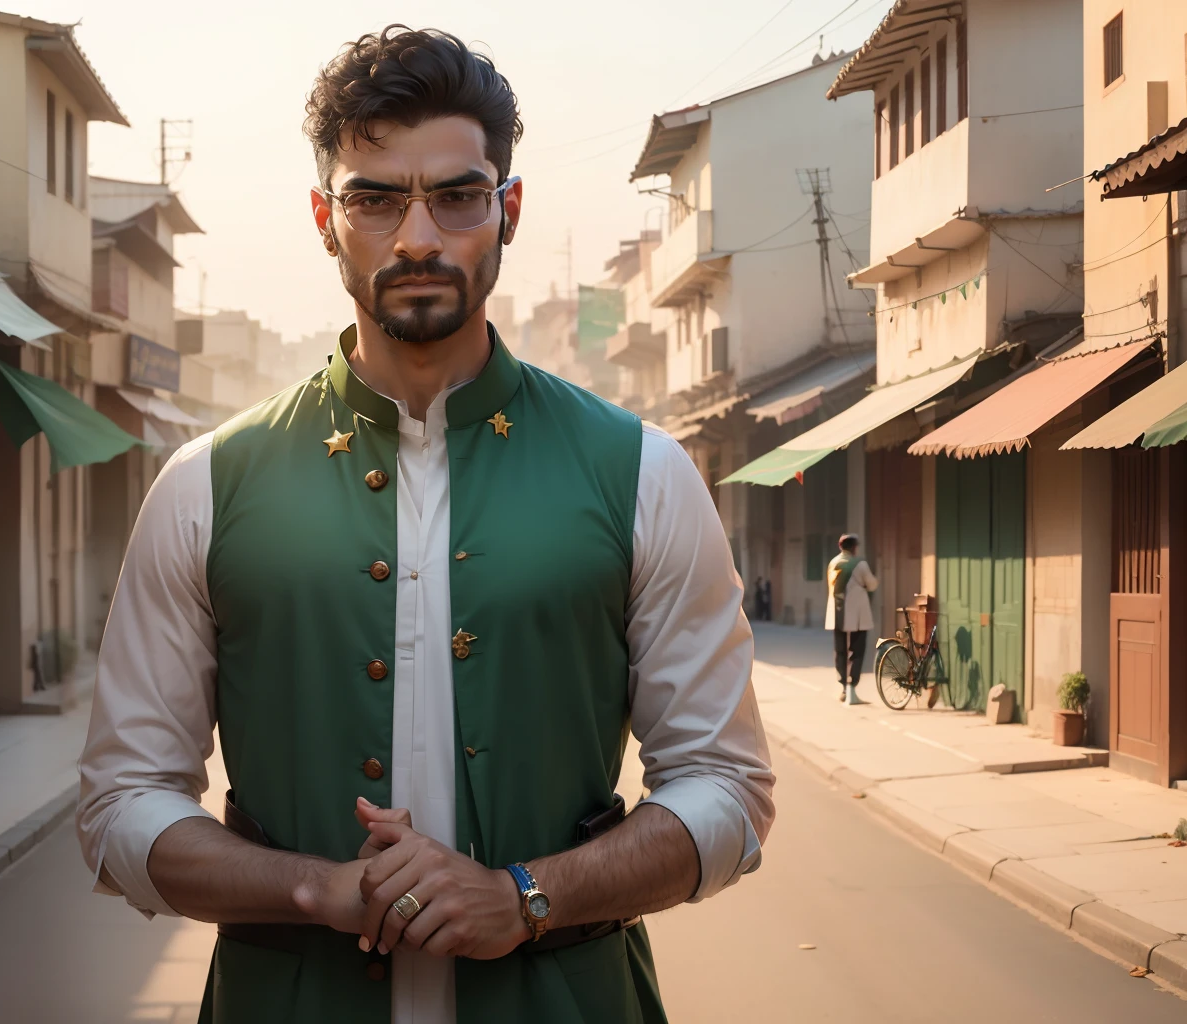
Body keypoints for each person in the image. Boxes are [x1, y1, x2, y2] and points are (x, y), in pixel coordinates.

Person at [78, 26, 774, 1024]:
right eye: (373, 197)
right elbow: (117, 809)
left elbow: (728, 792)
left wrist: (526, 899)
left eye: (456, 195)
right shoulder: (206, 485)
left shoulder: (642, 474)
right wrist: (311, 888)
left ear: (508, 209)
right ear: (325, 215)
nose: (416, 237)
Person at [825, 533, 878, 706]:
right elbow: (872, 584)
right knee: (857, 651)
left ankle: (842, 686)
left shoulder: (833, 563)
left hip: (837, 613)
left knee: (840, 651)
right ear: (854, 547)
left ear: (840, 547)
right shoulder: (860, 564)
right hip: (857, 614)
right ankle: (852, 687)